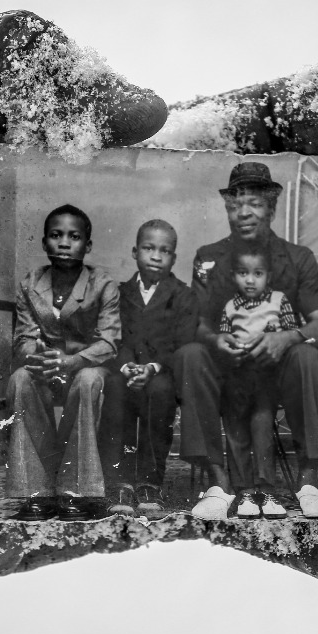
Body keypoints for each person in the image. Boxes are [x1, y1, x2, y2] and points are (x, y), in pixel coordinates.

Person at [173, 161, 318, 520]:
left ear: (272, 207)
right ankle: (218, 482)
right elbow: (196, 324)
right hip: (226, 369)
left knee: (308, 357)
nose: (244, 212)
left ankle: (309, 480)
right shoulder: (209, 258)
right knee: (190, 354)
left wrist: (287, 336)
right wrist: (216, 340)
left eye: (256, 203)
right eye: (236, 204)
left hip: (279, 375)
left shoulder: (297, 258)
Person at [6, 204, 121, 521]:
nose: (65, 243)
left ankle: (77, 492)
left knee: (88, 382)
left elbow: (109, 341)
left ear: (88, 245)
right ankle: (37, 493)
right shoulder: (31, 283)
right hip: (45, 366)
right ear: (44, 243)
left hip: (86, 364)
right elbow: (23, 339)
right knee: (19, 380)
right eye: (56, 235)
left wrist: (70, 361)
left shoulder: (102, 283)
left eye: (75, 236)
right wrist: (38, 358)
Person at [100, 220, 197, 517]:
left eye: (165, 251)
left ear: (174, 258)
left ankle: (149, 483)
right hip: (126, 370)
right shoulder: (119, 292)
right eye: (149, 248)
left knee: (162, 391)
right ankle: (119, 482)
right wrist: (128, 365)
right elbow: (115, 335)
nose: (156, 256)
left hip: (162, 373)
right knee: (115, 388)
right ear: (134, 252)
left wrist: (153, 368)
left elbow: (182, 340)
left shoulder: (182, 294)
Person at [217, 242, 299, 519]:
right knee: (235, 425)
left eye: (258, 273)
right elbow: (224, 340)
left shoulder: (278, 300)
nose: (250, 280)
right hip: (238, 375)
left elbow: (291, 336)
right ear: (233, 276)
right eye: (243, 273)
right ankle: (245, 492)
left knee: (262, 422)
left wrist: (276, 334)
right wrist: (231, 351)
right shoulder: (230, 306)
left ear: (268, 275)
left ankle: (267, 489)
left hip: (266, 376)